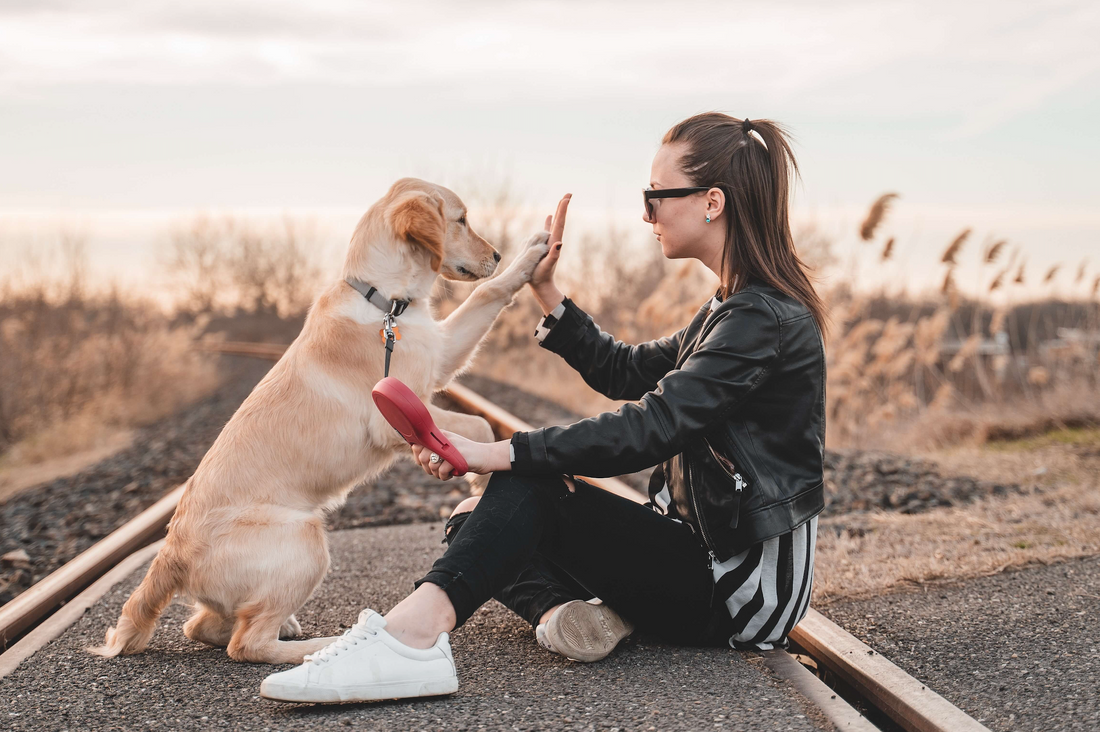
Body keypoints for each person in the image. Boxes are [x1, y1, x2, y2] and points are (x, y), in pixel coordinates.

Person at [259, 112, 829, 704]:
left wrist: (499, 452)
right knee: (474, 521)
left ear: (712, 202)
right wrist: (546, 290)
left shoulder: (760, 319)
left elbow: (651, 426)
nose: (645, 214)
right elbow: (626, 370)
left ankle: (409, 640)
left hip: (739, 588)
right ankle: (572, 615)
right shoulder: (730, 309)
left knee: (524, 491)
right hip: (694, 551)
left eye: (655, 196)